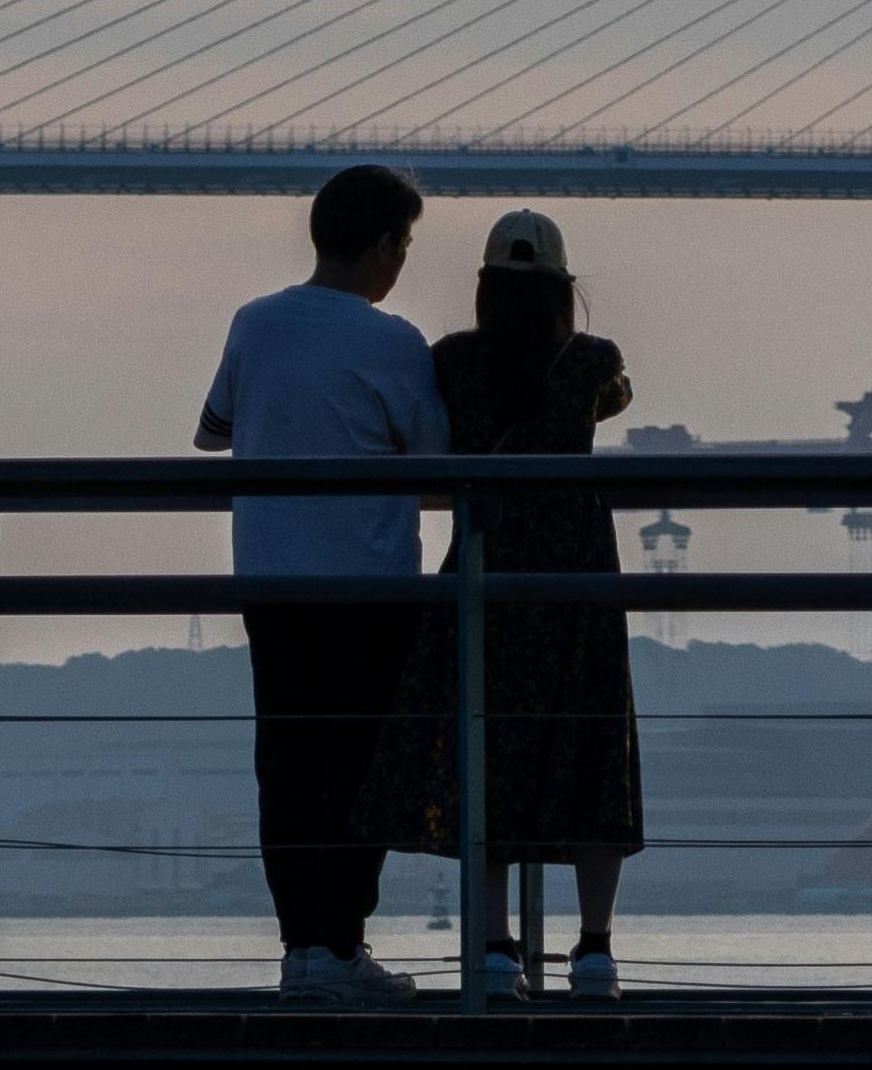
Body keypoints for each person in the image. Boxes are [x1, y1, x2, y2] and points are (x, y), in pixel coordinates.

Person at [371, 205, 644, 998]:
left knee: (481, 748)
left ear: (485, 288)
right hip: (579, 576)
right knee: (593, 749)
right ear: (563, 287)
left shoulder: (452, 361)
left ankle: (493, 949)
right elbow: (616, 401)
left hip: (486, 569)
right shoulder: (594, 360)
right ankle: (593, 951)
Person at [201, 161, 444, 1005]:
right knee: (357, 768)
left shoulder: (255, 322)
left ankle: (302, 948)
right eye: (405, 244)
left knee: (289, 761)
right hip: (369, 591)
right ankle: (342, 947)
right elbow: (439, 469)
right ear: (383, 246)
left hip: (272, 583)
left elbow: (213, 431)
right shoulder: (396, 342)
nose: (403, 261)